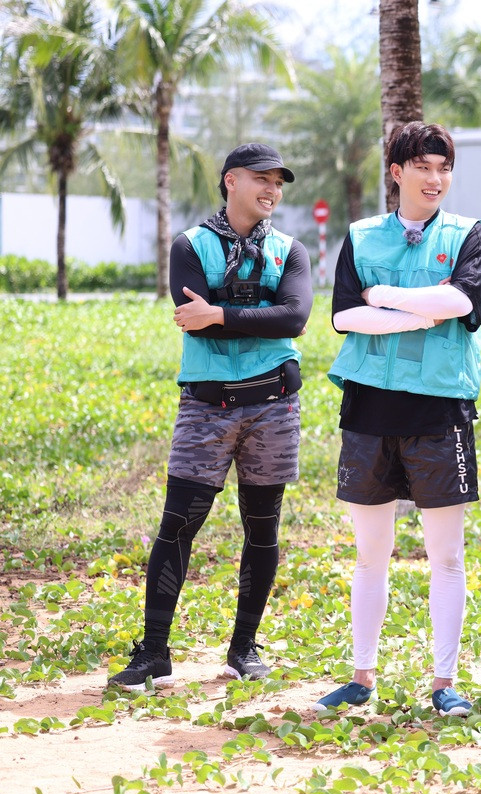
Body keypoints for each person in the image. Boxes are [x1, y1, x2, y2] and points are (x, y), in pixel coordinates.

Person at [108, 144, 313, 690]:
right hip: (206, 407)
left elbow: (294, 318)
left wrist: (219, 311)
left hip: (274, 406)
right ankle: (154, 653)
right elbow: (191, 321)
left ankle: (244, 649)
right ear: (230, 181)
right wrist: (256, 315)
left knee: (263, 530)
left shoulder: (290, 250)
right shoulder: (190, 245)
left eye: (278, 182)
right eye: (261, 179)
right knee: (177, 526)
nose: (272, 190)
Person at [312, 122, 481, 718]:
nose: (435, 179)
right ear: (397, 172)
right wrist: (419, 311)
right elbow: (343, 317)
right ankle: (361, 676)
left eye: (444, 168)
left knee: (446, 556)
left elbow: (462, 302)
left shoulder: (468, 234)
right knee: (370, 554)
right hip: (370, 410)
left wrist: (382, 296)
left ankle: (444, 682)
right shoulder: (361, 236)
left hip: (440, 410)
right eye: (423, 167)